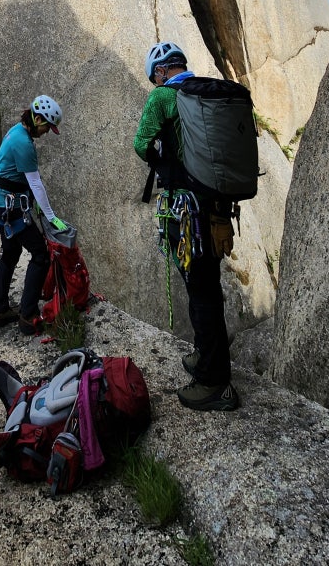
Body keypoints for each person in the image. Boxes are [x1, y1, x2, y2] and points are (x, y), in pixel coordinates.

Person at [135, 41, 239, 412]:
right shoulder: (207, 93)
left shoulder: (163, 97)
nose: (155, 82)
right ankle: (205, 356)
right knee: (209, 286)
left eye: (154, 77)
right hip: (216, 210)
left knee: (201, 292)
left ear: (161, 71)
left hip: (188, 212)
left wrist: (164, 155)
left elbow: (140, 143)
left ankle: (214, 384)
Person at [0, 95, 68, 335]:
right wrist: (51, 216)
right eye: (46, 126)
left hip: (1, 202)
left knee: (11, 253)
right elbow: (36, 185)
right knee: (41, 254)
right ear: (36, 119)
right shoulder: (23, 143)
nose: (46, 132)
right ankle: (28, 315)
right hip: (11, 207)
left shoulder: (16, 131)